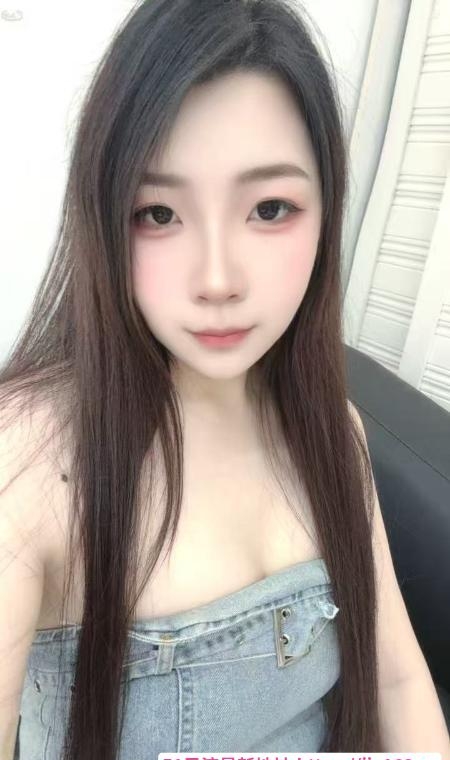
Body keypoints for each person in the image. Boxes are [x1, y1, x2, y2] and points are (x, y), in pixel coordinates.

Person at [1, 1, 449, 759]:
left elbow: (399, 683)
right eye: (157, 214)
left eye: (270, 208)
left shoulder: (332, 431)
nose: (216, 279)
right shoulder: (30, 455)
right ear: (102, 219)